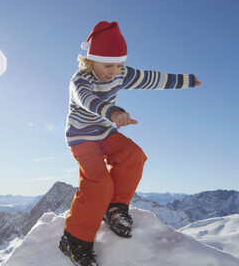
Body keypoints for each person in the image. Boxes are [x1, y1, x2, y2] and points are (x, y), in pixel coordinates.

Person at [58, 21, 201, 266]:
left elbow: (151, 78)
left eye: (119, 65)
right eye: (108, 65)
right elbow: (88, 100)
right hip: (81, 137)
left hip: (104, 132)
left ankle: (114, 208)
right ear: (90, 59)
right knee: (98, 182)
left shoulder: (121, 74)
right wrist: (113, 112)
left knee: (133, 155)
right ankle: (74, 240)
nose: (114, 71)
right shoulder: (80, 81)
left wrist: (185, 80)